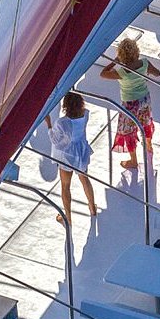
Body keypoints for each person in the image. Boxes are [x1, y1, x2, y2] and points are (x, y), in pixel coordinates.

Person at [99, 37, 160, 170]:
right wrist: (146, 72)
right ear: (136, 51)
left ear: (121, 55)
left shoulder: (121, 72)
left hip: (130, 104)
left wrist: (114, 61)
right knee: (146, 123)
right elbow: (158, 74)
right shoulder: (145, 63)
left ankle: (133, 161)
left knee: (128, 131)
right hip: (144, 99)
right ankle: (149, 146)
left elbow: (103, 74)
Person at [44, 92, 97, 224]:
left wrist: (49, 124)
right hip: (81, 152)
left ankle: (67, 217)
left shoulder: (62, 122)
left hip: (67, 157)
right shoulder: (85, 114)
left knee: (65, 186)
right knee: (85, 180)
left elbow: (55, 140)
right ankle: (92, 208)